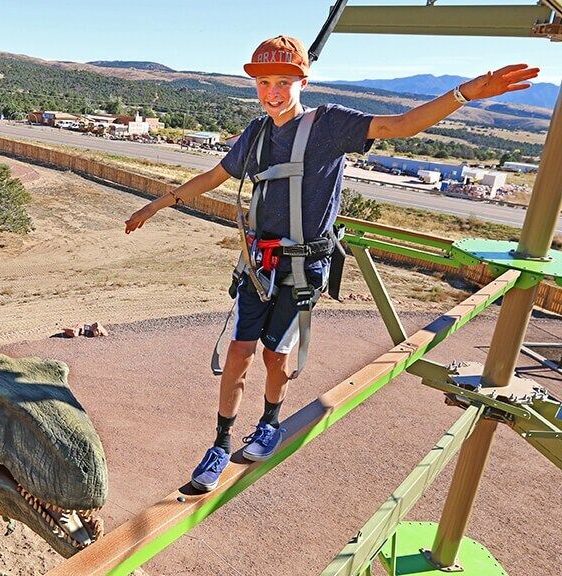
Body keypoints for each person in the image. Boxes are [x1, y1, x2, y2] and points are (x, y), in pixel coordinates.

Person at [124, 35, 538, 492]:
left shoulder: (330, 125)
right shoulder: (256, 134)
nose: (272, 92)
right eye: (263, 83)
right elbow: (216, 175)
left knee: (274, 353)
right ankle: (220, 444)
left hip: (302, 266)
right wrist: (158, 204)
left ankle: (269, 421)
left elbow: (400, 126)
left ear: (304, 80)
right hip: (260, 265)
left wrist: (463, 94)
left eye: (283, 81)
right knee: (239, 352)